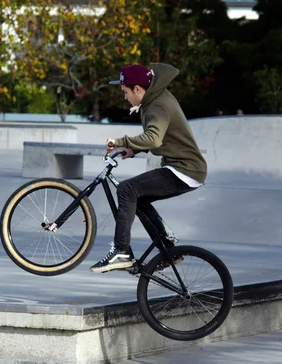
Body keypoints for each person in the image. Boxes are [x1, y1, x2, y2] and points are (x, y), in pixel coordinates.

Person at [89, 63, 207, 273]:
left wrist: (121, 141)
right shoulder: (154, 98)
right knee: (138, 197)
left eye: (125, 92)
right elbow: (164, 137)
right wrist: (134, 150)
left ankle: (121, 252)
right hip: (181, 167)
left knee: (127, 189)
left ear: (138, 89)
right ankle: (168, 251)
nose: (125, 97)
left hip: (184, 170)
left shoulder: (158, 105)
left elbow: (153, 138)